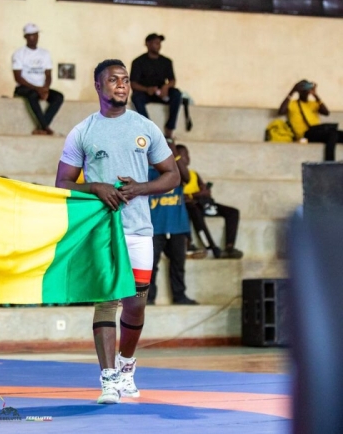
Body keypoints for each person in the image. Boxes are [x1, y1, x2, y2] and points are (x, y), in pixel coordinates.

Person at [55, 59, 179, 404]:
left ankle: (126, 366)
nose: (122, 85)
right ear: (98, 86)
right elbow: (62, 183)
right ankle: (108, 378)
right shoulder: (83, 131)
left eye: (125, 79)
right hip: (103, 230)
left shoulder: (145, 127)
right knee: (107, 301)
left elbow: (172, 175)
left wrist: (141, 187)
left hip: (139, 229)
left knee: (136, 304)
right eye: (113, 80)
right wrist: (95, 187)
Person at [147, 145, 198, 305]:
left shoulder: (177, 173)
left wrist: (175, 153)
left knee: (178, 264)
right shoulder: (148, 173)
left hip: (177, 227)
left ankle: (180, 296)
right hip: (155, 227)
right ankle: (148, 298)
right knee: (150, 265)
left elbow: (187, 178)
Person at [178, 144, 243, 259]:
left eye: (188, 155)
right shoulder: (176, 176)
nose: (187, 158)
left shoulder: (194, 174)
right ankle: (211, 247)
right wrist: (196, 194)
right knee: (193, 210)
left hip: (204, 203)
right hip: (191, 206)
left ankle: (230, 247)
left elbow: (205, 191)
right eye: (184, 155)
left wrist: (199, 194)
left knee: (233, 212)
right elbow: (181, 197)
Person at [12, 22, 64, 135]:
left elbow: (48, 75)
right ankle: (45, 127)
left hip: (41, 88)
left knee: (58, 97)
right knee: (32, 95)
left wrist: (45, 88)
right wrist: (38, 89)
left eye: (36, 34)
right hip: (24, 87)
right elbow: (18, 78)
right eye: (31, 35)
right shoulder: (19, 53)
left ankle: (41, 128)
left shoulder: (44, 53)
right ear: (25, 37)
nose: (34, 37)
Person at [130, 33, 182, 139]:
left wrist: (166, 87)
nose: (158, 45)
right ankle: (149, 128)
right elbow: (133, 84)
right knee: (136, 97)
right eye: (155, 43)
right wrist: (147, 89)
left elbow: (172, 80)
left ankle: (170, 128)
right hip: (146, 93)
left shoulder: (166, 61)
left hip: (162, 93)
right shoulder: (138, 62)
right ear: (147, 44)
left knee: (177, 94)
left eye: (159, 43)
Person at [278, 79, 342, 161]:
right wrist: (292, 91)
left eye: (307, 87)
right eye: (303, 87)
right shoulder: (293, 103)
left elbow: (326, 112)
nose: (305, 90)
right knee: (332, 134)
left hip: (318, 131)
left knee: (337, 134)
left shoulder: (313, 103)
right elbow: (281, 111)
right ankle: (329, 163)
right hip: (305, 135)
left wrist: (315, 95)